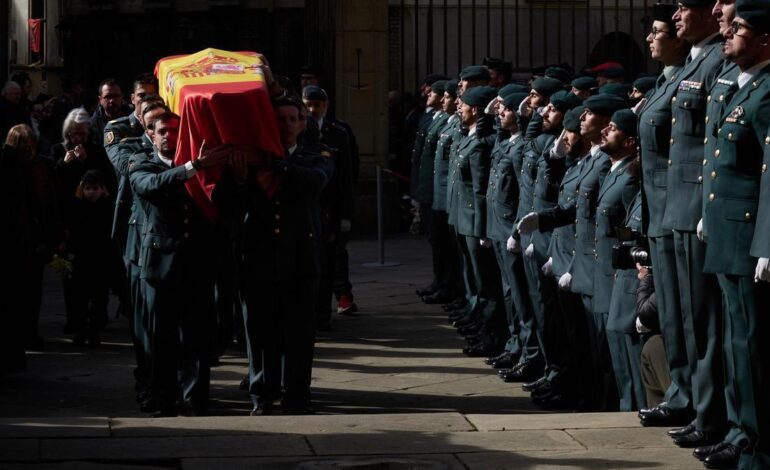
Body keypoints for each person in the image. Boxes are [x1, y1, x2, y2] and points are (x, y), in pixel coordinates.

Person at [700, 1, 770, 467]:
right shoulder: (743, 86)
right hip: (726, 229)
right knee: (733, 339)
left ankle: (757, 443)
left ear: (765, 39)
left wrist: (767, 242)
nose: (728, 34)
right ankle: (739, 429)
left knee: (751, 343)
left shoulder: (767, 91)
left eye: (739, 28)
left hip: (748, 237)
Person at [129, 112, 231, 416]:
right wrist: (193, 166)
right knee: (161, 339)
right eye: (162, 131)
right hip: (161, 266)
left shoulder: (204, 167)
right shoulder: (141, 162)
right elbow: (151, 185)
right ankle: (163, 398)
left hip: (197, 264)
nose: (168, 136)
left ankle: (195, 398)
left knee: (198, 338)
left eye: (175, 130)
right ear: (151, 133)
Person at [242, 97, 334, 415]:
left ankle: (296, 395)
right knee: (260, 333)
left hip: (300, 258)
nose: (286, 125)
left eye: (292, 119)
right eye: (279, 119)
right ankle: (262, 395)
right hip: (259, 256)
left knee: (299, 334)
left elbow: (315, 182)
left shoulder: (315, 154)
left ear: (302, 123)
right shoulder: (251, 159)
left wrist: (274, 163)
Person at [636, 1, 693, 429]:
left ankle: (693, 400)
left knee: (688, 317)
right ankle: (683, 395)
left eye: (660, 31)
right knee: (672, 315)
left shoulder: (689, 77)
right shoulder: (665, 81)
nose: (653, 37)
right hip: (660, 214)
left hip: (679, 213)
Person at [0, 124, 59, 352]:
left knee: (33, 289)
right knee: (18, 290)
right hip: (15, 237)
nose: (29, 149)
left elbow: (49, 201)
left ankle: (30, 331)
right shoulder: (9, 168)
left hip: (35, 235)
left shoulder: (40, 166)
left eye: (32, 144)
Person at [302, 85, 355, 330]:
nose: (312, 109)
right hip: (305, 210)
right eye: (308, 104)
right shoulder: (298, 131)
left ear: (326, 106)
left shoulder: (339, 133)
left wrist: (344, 214)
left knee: (329, 261)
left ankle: (323, 314)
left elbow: (347, 176)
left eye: (317, 104)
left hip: (329, 210)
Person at [62, 169, 116, 346]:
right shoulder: (76, 206)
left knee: (99, 298)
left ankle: (94, 331)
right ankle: (80, 331)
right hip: (81, 258)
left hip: (101, 259)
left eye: (95, 188)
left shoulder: (108, 206)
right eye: (87, 188)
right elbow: (70, 230)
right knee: (80, 298)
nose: (91, 192)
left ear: (102, 189)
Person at [91, 78, 131, 145]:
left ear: (121, 97)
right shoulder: (93, 125)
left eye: (116, 96)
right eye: (107, 97)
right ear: (100, 100)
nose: (112, 100)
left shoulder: (132, 117)